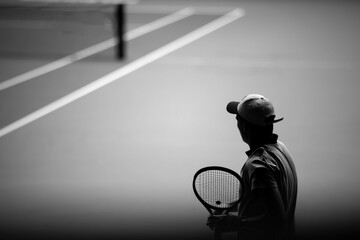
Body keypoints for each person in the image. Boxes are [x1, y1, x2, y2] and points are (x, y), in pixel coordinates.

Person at [207, 94, 298, 240]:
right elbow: (265, 199)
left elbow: (277, 220)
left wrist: (237, 223)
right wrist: (229, 207)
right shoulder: (281, 149)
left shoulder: (258, 165)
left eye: (237, 120)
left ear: (244, 126)